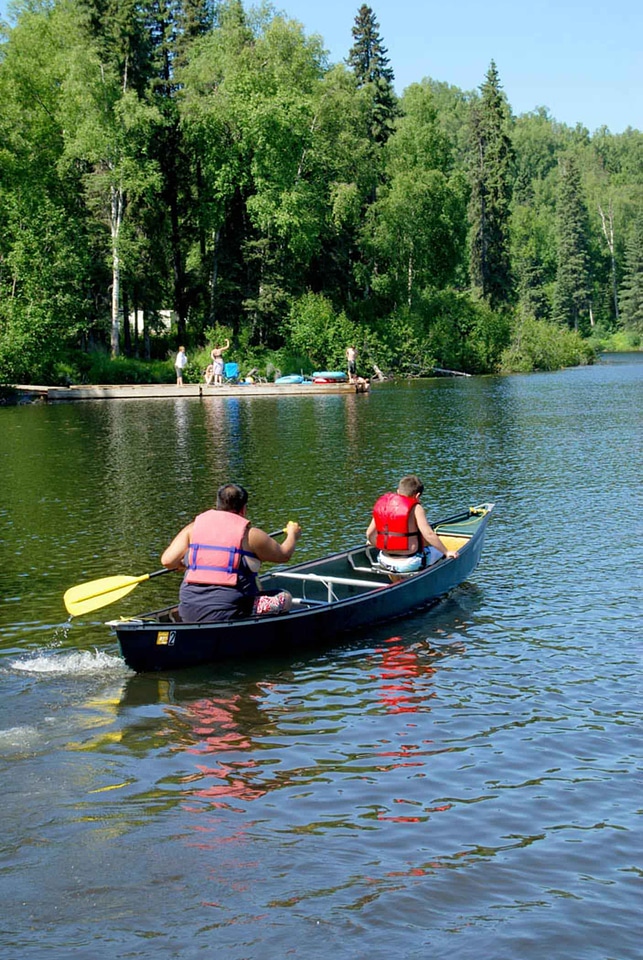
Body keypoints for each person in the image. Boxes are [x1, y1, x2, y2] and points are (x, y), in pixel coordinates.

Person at [161, 482, 302, 623]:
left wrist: (185, 564)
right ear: (243, 509)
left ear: (217, 504)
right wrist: (292, 535)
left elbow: (167, 561)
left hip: (189, 611)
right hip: (231, 612)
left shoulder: (193, 528)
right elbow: (284, 555)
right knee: (285, 597)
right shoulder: (251, 535)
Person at [366, 474, 458, 573]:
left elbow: (369, 534)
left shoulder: (383, 505)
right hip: (410, 563)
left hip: (384, 560)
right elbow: (429, 534)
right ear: (417, 495)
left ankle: (396, 581)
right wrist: (446, 551)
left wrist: (376, 543)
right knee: (439, 552)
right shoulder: (416, 508)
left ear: (398, 491)